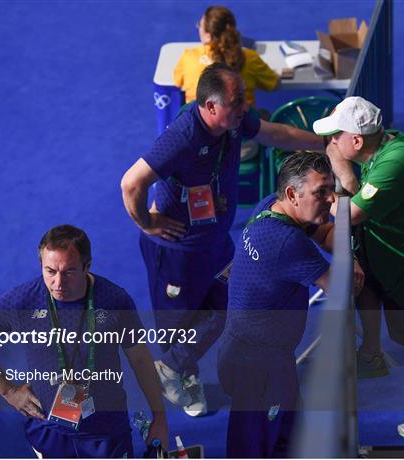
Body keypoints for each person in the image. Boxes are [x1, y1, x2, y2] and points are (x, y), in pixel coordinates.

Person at [121, 62, 326, 417]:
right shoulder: (184, 136)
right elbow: (131, 183)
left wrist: (324, 145)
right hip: (177, 253)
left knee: (228, 302)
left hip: (215, 242)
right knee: (179, 325)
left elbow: (277, 135)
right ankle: (180, 374)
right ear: (210, 107)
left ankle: (172, 366)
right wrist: (148, 222)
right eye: (236, 102)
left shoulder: (233, 122)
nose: (244, 106)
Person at [313, 96, 404, 442]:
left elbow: (348, 213)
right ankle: (371, 353)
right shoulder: (380, 145)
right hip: (399, 259)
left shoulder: (396, 162)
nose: (330, 143)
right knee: (365, 278)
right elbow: (356, 193)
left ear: (356, 140)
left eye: (335, 137)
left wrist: (334, 169)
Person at [0, 225, 168, 458]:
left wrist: (159, 416)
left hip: (106, 431)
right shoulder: (24, 299)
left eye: (69, 272)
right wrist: (7, 390)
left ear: (87, 266)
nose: (58, 283)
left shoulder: (114, 300)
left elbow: (140, 359)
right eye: (50, 271)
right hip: (48, 429)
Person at [217, 151, 364, 458]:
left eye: (331, 189)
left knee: (289, 436)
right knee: (252, 450)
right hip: (258, 369)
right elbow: (342, 287)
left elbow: (322, 232)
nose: (329, 200)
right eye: (320, 193)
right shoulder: (287, 242)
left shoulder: (271, 206)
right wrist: (353, 261)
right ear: (292, 194)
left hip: (256, 354)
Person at [173, 5, 279, 107]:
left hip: (200, 124)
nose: (198, 28)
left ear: (208, 37)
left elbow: (177, 81)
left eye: (199, 25)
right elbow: (272, 83)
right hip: (243, 124)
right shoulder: (250, 59)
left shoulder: (188, 57)